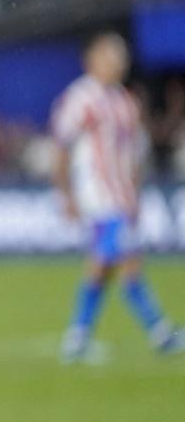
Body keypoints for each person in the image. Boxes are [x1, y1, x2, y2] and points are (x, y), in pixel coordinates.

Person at [51, 33, 182, 363]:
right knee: (121, 260)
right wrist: (66, 193)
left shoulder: (125, 101)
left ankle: (79, 336)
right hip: (98, 195)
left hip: (121, 196)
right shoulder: (81, 98)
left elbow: (133, 155)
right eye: (111, 55)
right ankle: (158, 332)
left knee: (109, 263)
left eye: (121, 55)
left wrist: (135, 196)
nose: (118, 62)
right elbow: (62, 147)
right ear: (92, 59)